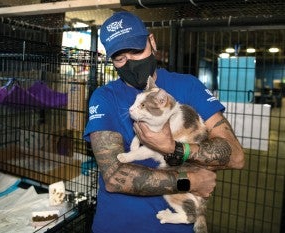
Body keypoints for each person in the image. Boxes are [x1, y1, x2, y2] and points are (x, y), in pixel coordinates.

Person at [83, 11, 244, 233]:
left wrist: (174, 148)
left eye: (136, 51)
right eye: (120, 58)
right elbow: (114, 177)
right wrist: (192, 181)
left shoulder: (189, 86)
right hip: (117, 225)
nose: (130, 63)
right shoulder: (104, 97)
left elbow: (235, 156)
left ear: (152, 42)